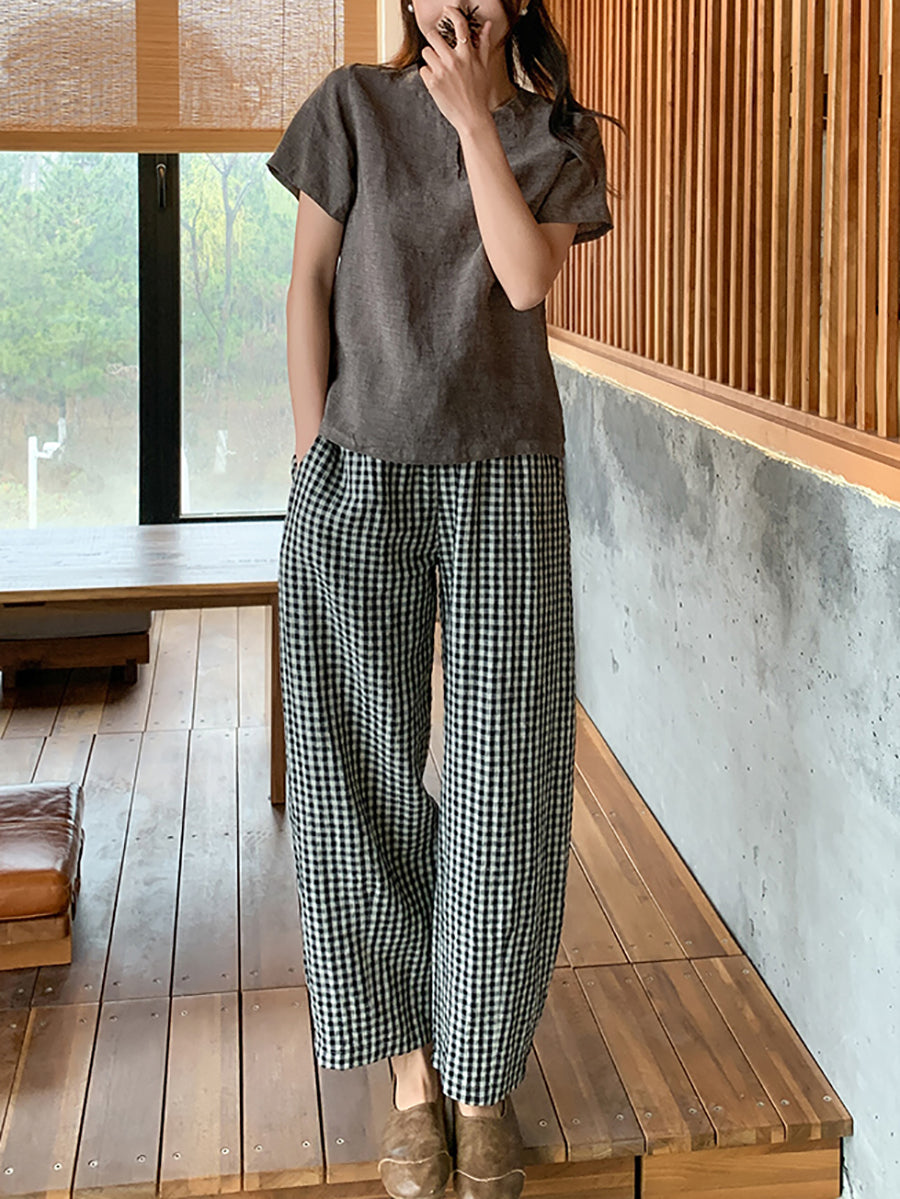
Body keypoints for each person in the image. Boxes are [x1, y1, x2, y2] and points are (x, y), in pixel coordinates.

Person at [266, 3, 617, 1196]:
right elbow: (310, 284)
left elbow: (524, 278)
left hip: (506, 477)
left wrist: (475, 119)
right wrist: (311, 460)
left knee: (507, 779)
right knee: (352, 770)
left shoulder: (555, 134)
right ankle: (414, 1075)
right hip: (356, 472)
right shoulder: (350, 108)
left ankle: (480, 1075)